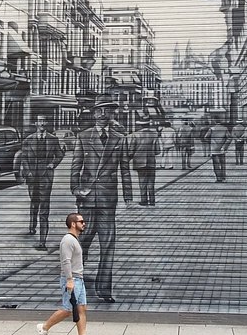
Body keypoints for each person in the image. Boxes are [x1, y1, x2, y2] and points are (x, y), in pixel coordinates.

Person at [70, 94, 132, 304]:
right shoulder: (83, 136)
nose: (106, 114)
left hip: (108, 198)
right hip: (87, 199)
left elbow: (125, 168)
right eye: (102, 110)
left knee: (108, 244)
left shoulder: (119, 138)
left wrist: (128, 196)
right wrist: (76, 189)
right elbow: (75, 166)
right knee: (82, 244)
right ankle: (76, 286)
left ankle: (104, 289)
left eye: (110, 110)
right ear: (95, 113)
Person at [35, 213, 100, 335]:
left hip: (78, 280)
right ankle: (44, 328)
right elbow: (66, 262)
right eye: (81, 221)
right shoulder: (68, 240)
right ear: (73, 224)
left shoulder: (74, 239)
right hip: (72, 280)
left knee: (81, 308)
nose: (84, 223)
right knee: (68, 309)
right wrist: (69, 280)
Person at [22, 115, 65, 250]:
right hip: (32, 177)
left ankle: (42, 241)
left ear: (47, 123)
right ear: (36, 123)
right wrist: (27, 171)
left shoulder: (53, 139)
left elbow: (60, 154)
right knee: (34, 203)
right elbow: (23, 158)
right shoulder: (29, 140)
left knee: (44, 208)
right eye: (39, 121)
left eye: (44, 121)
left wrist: (53, 164)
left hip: (45, 176)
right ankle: (32, 226)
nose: (42, 123)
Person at [128, 114, 160, 206]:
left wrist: (130, 156)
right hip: (151, 162)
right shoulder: (154, 135)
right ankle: (152, 200)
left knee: (142, 182)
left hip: (139, 162)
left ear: (141, 125)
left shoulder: (135, 135)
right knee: (151, 182)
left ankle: (144, 200)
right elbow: (157, 151)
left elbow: (131, 150)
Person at [207, 116, 232, 183]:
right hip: (222, 150)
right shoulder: (225, 128)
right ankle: (223, 178)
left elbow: (206, 137)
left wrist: (211, 142)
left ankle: (218, 178)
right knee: (223, 164)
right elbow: (229, 138)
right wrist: (225, 145)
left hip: (214, 150)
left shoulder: (211, 129)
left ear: (215, 121)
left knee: (216, 164)